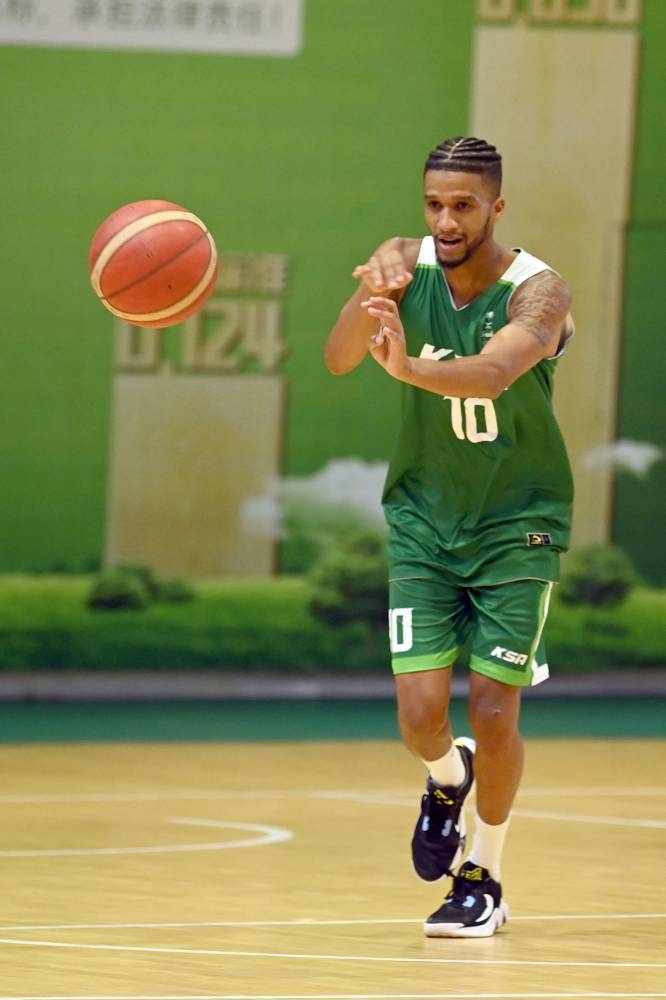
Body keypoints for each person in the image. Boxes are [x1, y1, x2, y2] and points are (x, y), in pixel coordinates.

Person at [324, 136, 574, 938]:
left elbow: (494, 372)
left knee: (495, 709)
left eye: (463, 205)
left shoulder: (540, 292)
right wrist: (371, 298)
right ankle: (445, 776)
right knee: (419, 716)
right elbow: (337, 361)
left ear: (496, 207)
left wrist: (408, 370)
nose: (445, 220)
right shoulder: (406, 264)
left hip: (517, 525)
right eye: (434, 204)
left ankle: (483, 876)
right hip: (425, 520)